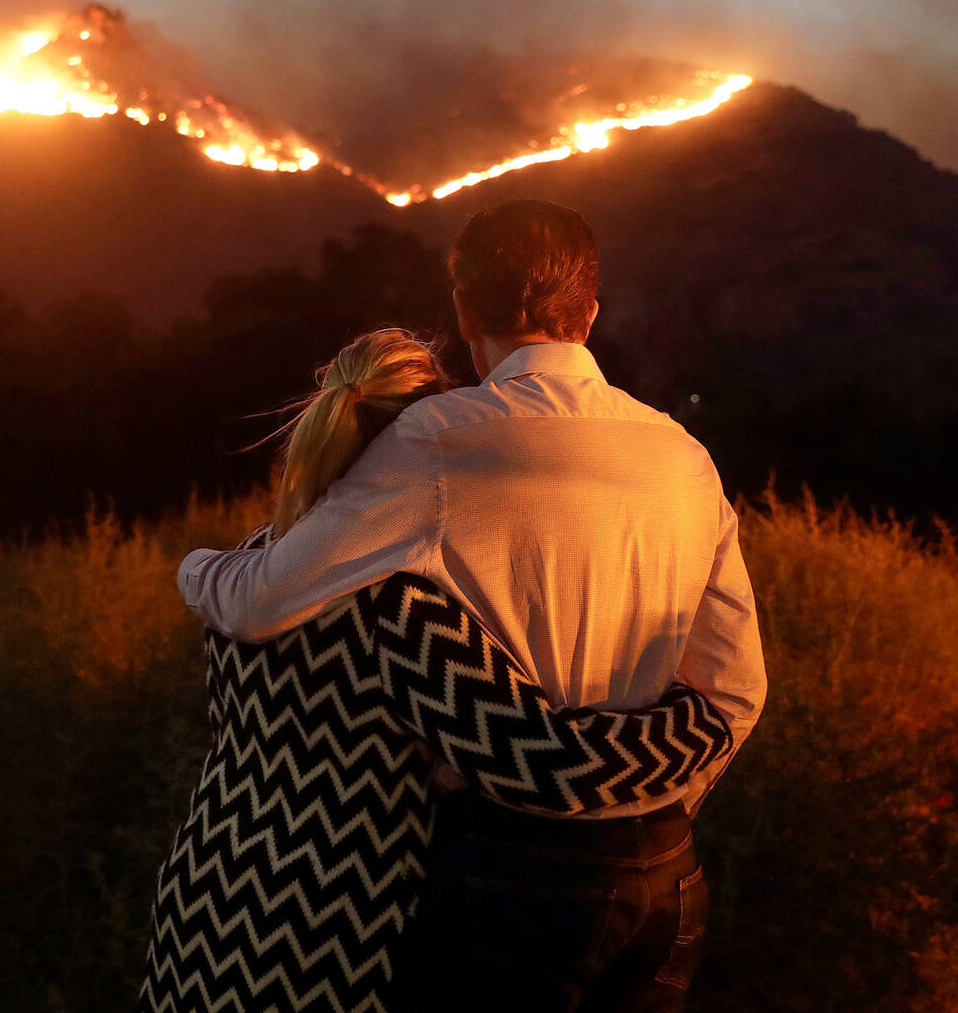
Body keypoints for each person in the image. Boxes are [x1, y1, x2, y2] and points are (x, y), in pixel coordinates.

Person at [179, 201, 767, 1009]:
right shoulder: (685, 457)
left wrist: (193, 569)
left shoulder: (439, 441)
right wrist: (646, 803)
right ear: (590, 313)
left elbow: (262, 602)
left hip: (510, 875)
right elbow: (735, 690)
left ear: (463, 312)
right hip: (667, 876)